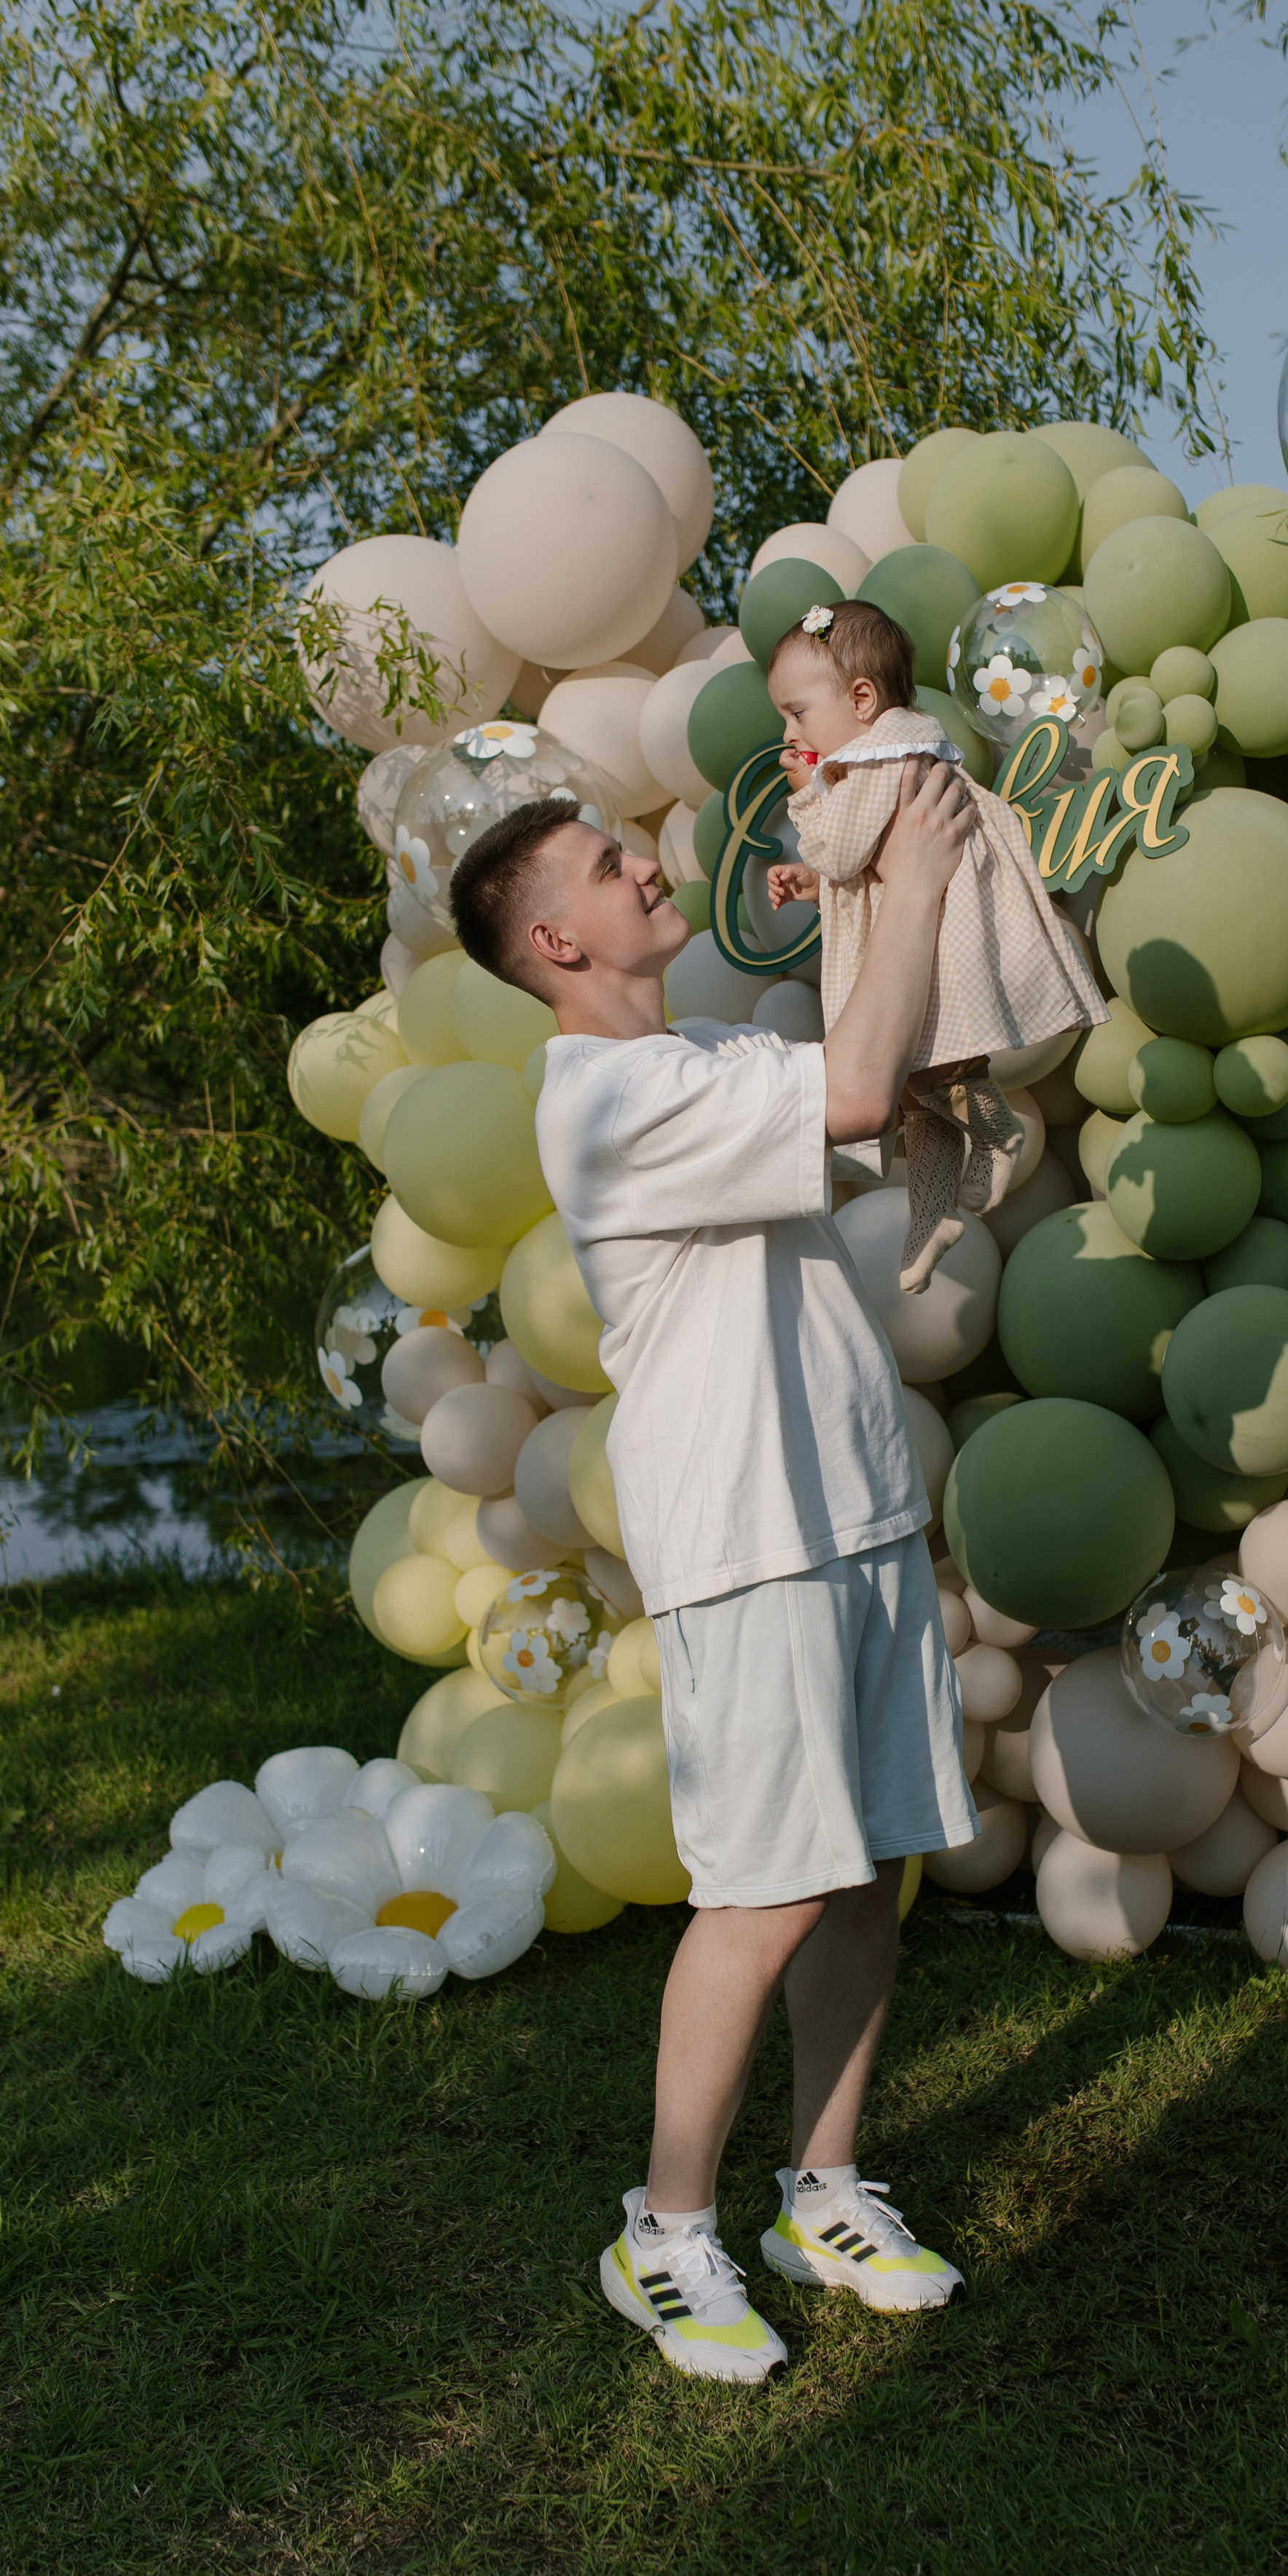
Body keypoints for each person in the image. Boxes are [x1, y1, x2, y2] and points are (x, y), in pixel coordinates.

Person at [448, 756, 985, 2387]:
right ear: (554, 941)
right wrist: (904, 868)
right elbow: (845, 1095)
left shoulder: (701, 1054)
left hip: (854, 1507)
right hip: (743, 1538)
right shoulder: (601, 1102)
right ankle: (662, 2229)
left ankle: (819, 2191)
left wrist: (867, 899)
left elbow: (865, 1087)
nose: (644, 869)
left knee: (865, 1863)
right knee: (759, 1893)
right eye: (612, 867)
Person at [765, 598, 1107, 1291]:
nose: (790, 730)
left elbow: (842, 847)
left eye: (797, 713)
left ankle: (995, 1128)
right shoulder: (888, 749)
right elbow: (864, 860)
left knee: (929, 1078)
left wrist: (805, 795)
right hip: (932, 923)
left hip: (940, 941)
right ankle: (931, 1214)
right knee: (913, 1094)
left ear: (861, 699)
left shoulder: (877, 757)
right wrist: (813, 881)